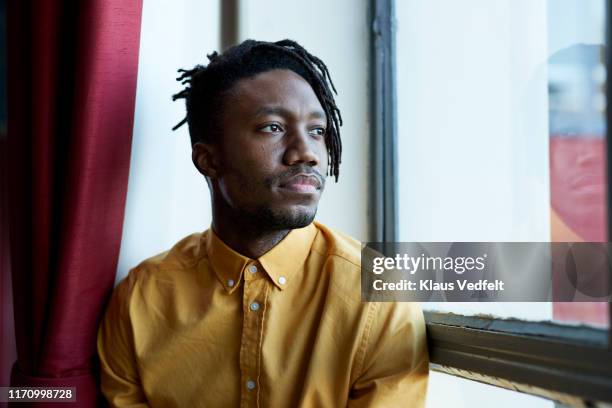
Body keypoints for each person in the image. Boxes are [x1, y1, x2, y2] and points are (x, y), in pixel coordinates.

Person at [97, 39, 428, 407]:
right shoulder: (140, 300)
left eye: (317, 131)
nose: (306, 153)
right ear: (208, 159)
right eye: (272, 127)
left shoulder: (379, 293)